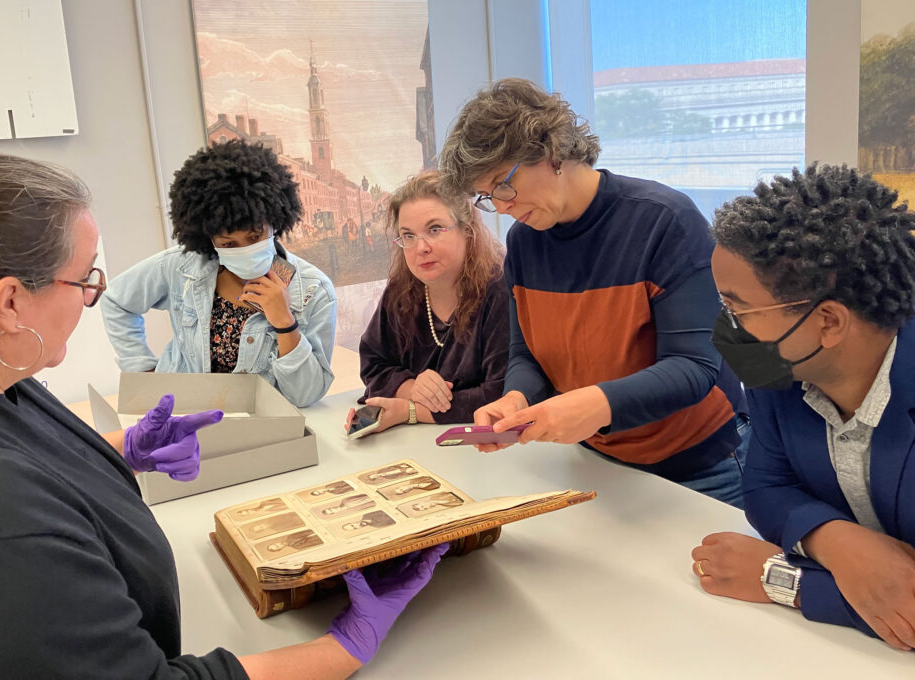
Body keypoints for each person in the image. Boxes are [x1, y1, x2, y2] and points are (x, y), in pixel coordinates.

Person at [0, 154, 449, 678]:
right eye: (86, 278)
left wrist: (116, 449)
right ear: (10, 302)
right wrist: (342, 647)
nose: (93, 295)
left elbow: (25, 449)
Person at [438, 78, 749, 506]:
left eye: (503, 184)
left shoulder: (664, 222)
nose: (503, 206)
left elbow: (693, 367)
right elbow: (527, 354)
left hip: (697, 466)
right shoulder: (527, 243)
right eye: (487, 197)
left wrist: (596, 404)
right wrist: (516, 398)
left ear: (550, 151)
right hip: (598, 459)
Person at [689, 165, 915, 650]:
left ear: (828, 321)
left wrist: (783, 581)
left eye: (738, 309)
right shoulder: (785, 373)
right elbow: (766, 488)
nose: (729, 328)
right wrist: (836, 541)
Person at [101, 140, 336, 408]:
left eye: (255, 235)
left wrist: (284, 322)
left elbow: (305, 396)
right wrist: (142, 373)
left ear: (276, 219)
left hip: (262, 428)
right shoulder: (181, 267)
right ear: (207, 238)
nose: (245, 249)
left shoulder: (314, 290)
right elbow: (116, 301)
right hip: (185, 417)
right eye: (228, 244)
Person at [349, 172, 509, 433]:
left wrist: (411, 411)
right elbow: (373, 364)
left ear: (467, 231)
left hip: (489, 446)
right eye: (408, 236)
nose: (420, 247)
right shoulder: (401, 289)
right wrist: (412, 388)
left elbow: (501, 393)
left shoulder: (499, 287)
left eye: (434, 230)